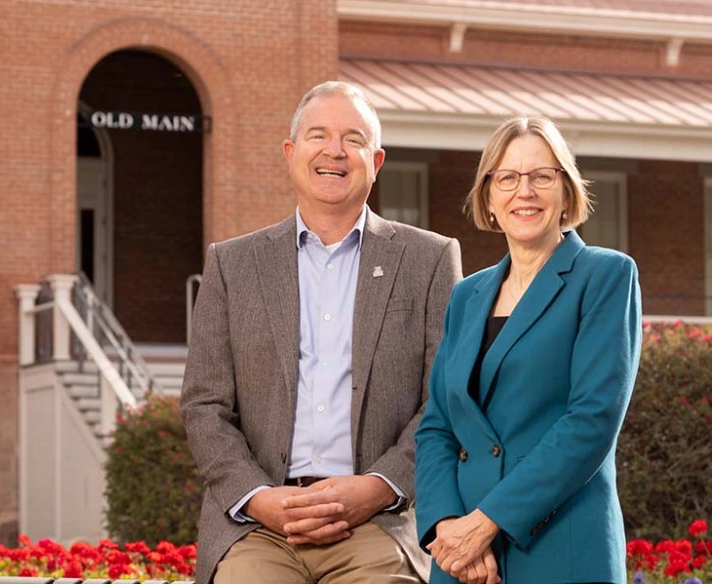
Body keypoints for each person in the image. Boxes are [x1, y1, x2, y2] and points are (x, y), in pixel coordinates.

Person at [180, 80, 462, 584]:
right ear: (291, 153)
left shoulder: (429, 260)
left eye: (352, 139)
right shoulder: (232, 265)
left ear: (375, 162)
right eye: (318, 136)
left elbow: (445, 402)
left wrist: (378, 486)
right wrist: (260, 498)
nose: (334, 151)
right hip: (258, 528)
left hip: (380, 525)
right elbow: (204, 405)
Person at [414, 115, 642, 584]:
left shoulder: (605, 276)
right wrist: (448, 526)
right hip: (463, 560)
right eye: (508, 178)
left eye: (542, 176)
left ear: (566, 191)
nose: (525, 191)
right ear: (489, 197)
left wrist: (486, 522)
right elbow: (437, 425)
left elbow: (592, 420)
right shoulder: (467, 296)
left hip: (561, 546)